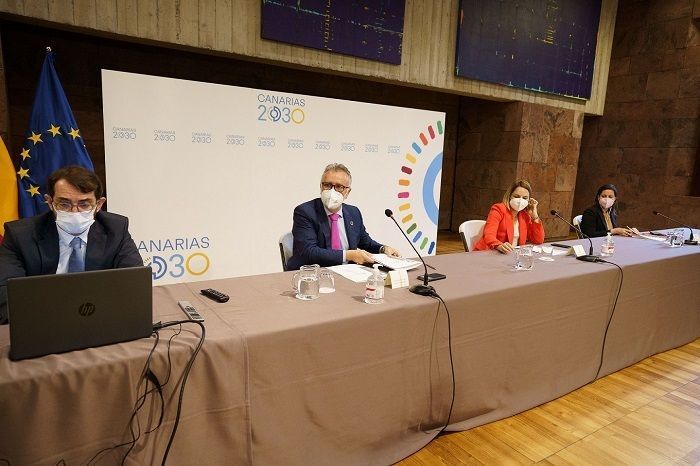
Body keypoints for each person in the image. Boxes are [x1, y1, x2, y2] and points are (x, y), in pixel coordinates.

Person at [0, 165, 143, 324]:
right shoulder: (20, 235)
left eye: (84, 204)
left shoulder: (116, 230)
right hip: (43, 323)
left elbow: (133, 286)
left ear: (99, 204)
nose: (75, 212)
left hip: (100, 321)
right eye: (64, 204)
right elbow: (6, 297)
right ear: (50, 202)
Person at [286, 163, 401, 270]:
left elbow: (365, 242)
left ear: (347, 192)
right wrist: (348, 255)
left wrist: (383, 249)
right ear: (321, 186)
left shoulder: (353, 212)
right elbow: (308, 252)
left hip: (348, 272)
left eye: (339, 187)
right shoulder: (305, 212)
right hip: (315, 273)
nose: (332, 191)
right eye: (327, 185)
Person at [473, 179, 545, 253]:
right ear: (509, 196)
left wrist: (535, 216)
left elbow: (538, 240)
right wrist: (498, 245)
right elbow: (489, 235)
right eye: (516, 196)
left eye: (525, 198)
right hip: (488, 252)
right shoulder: (498, 209)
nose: (520, 200)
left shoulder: (525, 215)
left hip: (512, 255)